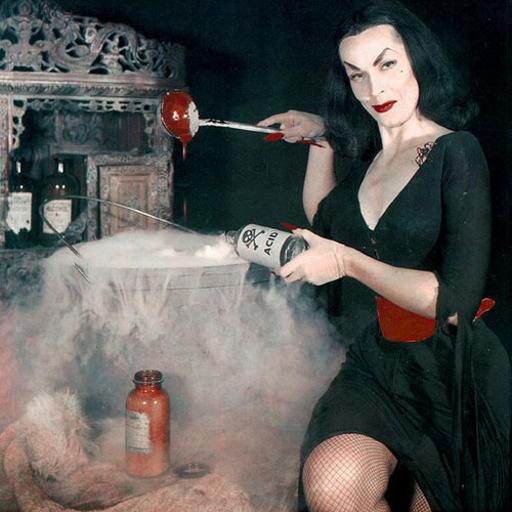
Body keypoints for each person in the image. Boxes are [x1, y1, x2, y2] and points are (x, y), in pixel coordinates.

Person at [258, 1, 511, 511]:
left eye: (387, 64)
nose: (374, 90)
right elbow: (328, 220)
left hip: (453, 375)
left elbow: (454, 303)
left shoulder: (456, 152)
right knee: (333, 488)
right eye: (356, 75)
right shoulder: (374, 160)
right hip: (380, 364)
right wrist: (321, 138)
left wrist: (346, 263)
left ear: (417, 58)